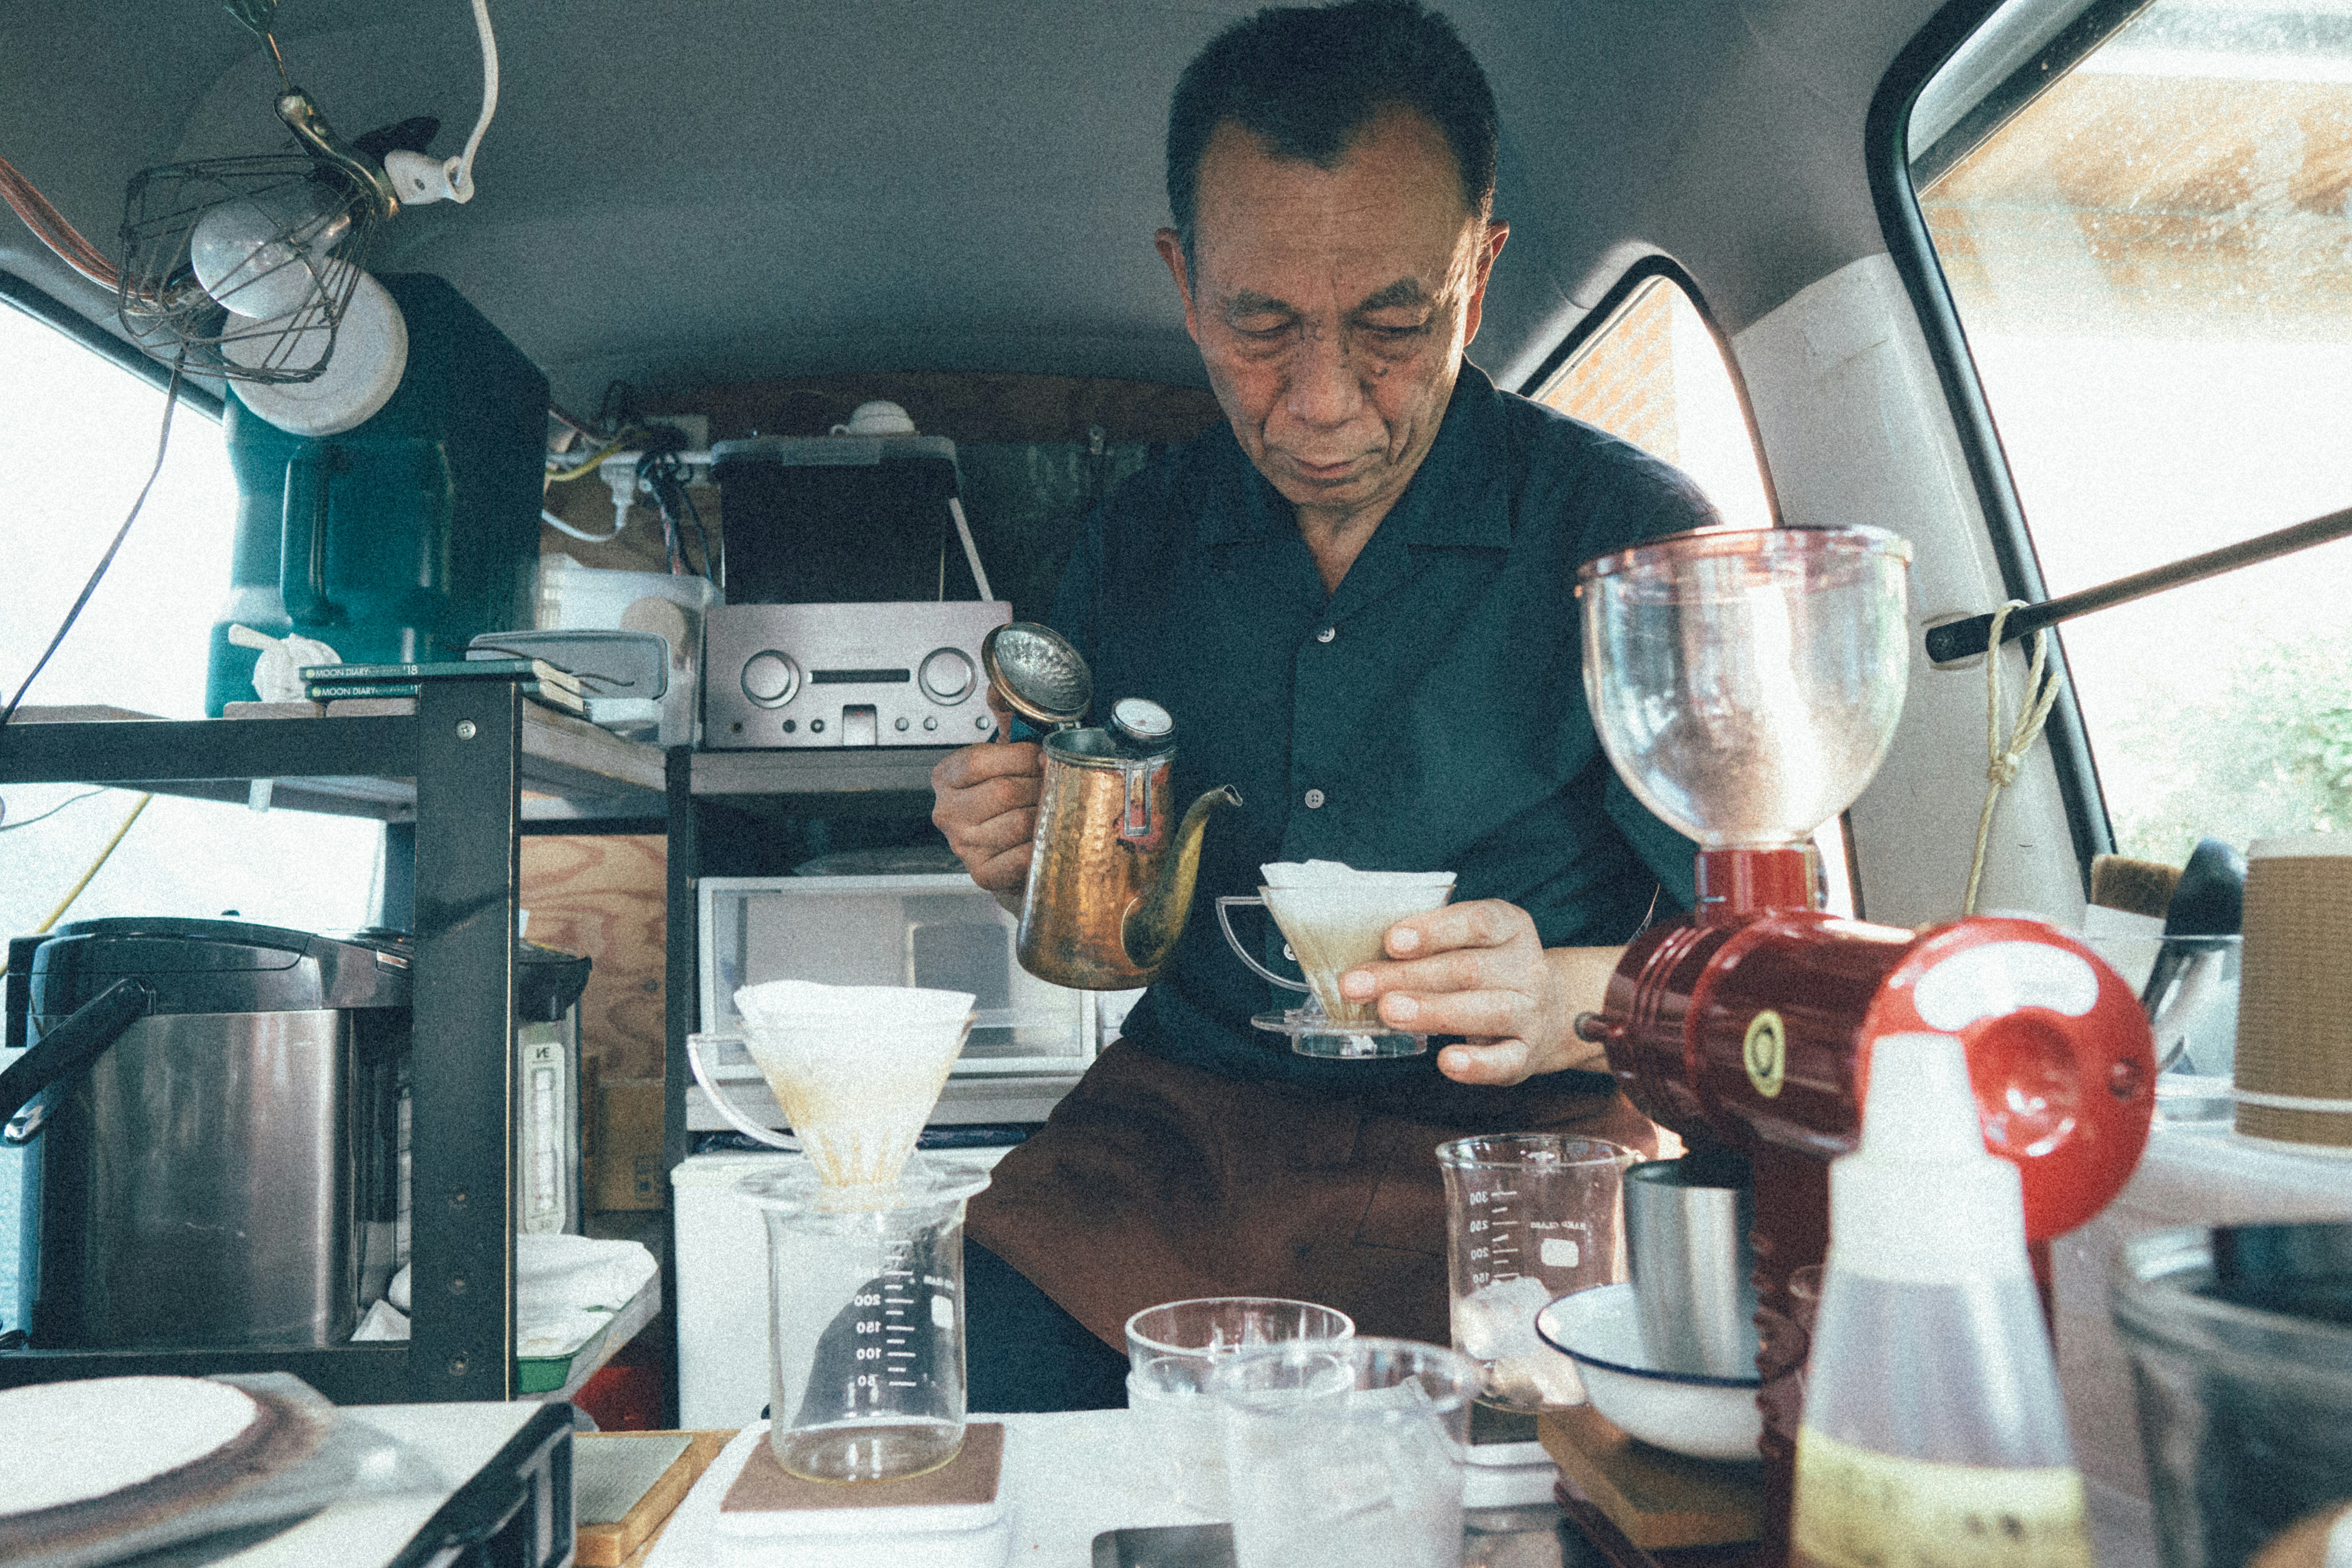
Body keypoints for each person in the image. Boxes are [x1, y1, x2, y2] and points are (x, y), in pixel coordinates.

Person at [931, 0, 1719, 1411]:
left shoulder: (1637, 544)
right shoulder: (1136, 544)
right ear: (1184, 283)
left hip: (1520, 1149)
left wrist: (1565, 1001)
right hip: (1176, 1144)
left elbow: (1753, 965)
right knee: (943, 1418)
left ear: (1478, 275)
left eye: (1392, 327)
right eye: (1260, 327)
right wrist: (1033, 871)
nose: (1323, 405)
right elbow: (1110, 938)